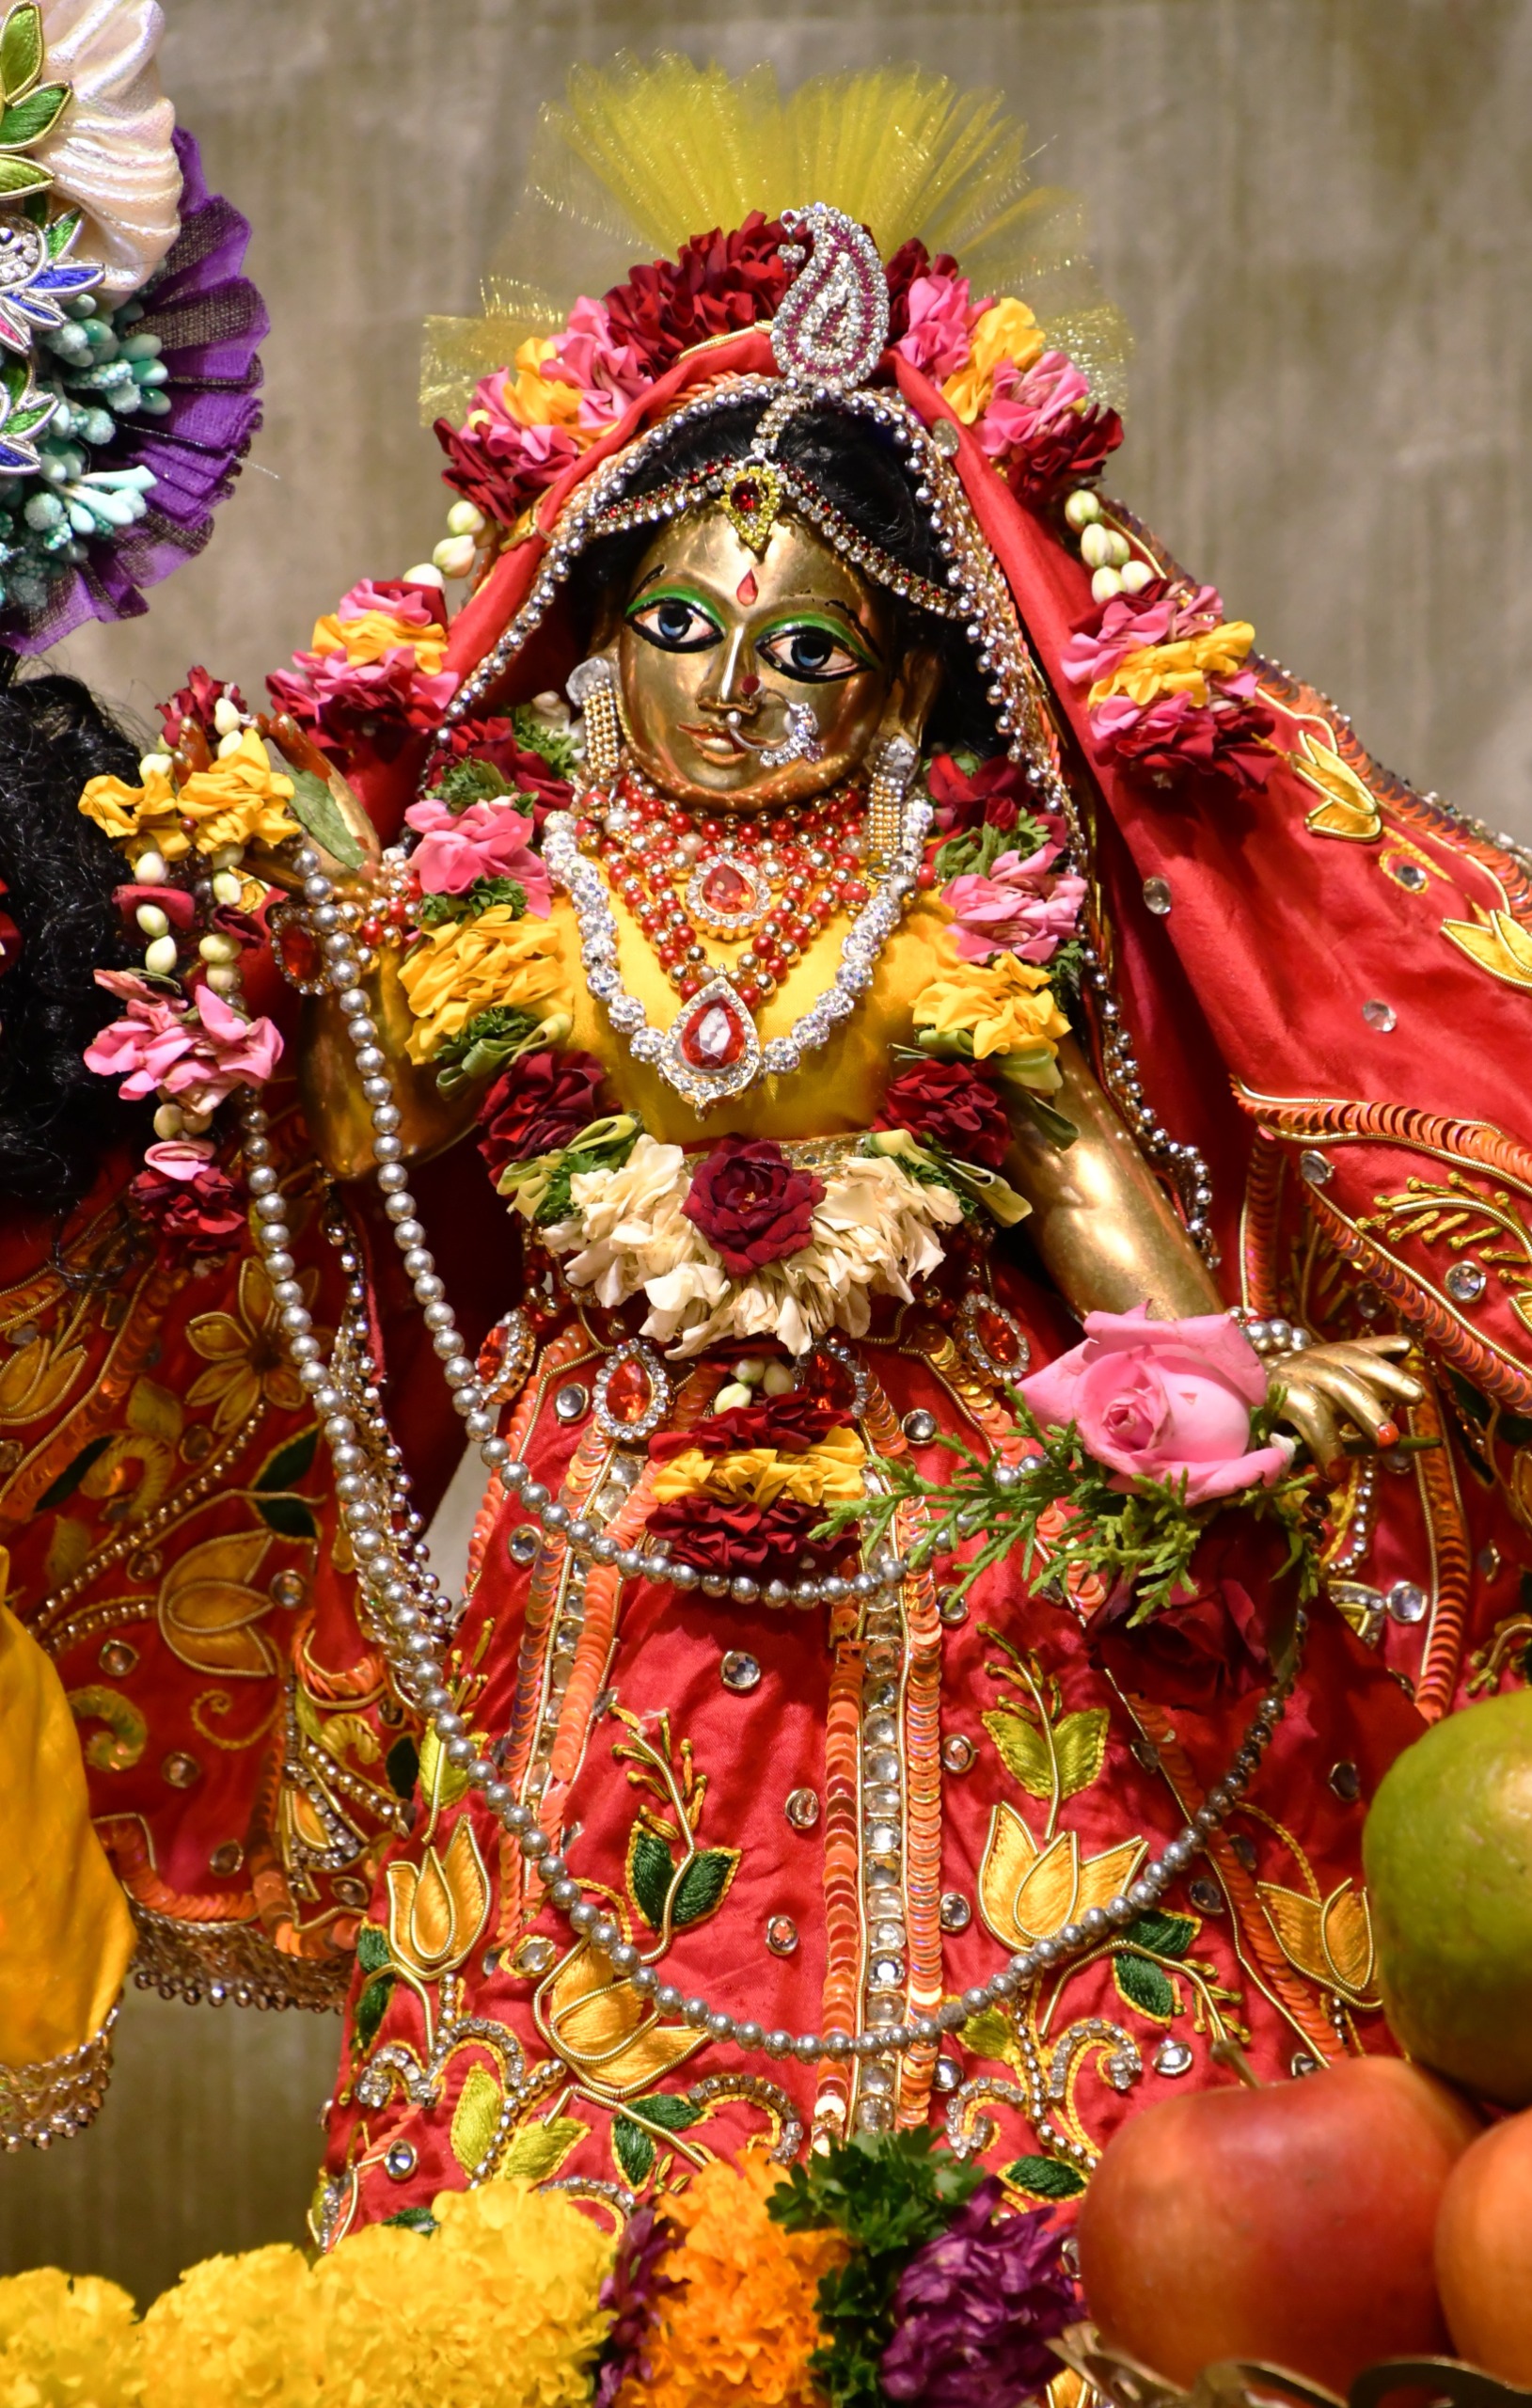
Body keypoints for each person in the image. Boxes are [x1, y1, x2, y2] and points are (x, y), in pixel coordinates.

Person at [69, 58, 1532, 2252]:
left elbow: (1083, 1193)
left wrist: (1228, 1379)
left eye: (802, 646)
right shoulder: (520, 891)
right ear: (596, 643)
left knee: (1030, 1990)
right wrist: (283, 920)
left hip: (942, 1499)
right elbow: (377, 1129)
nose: (729, 687)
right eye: (676, 625)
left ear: (901, 684)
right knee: (555, 2041)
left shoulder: (957, 915)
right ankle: (560, 2268)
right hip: (606, 1499)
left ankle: (985, 2273)